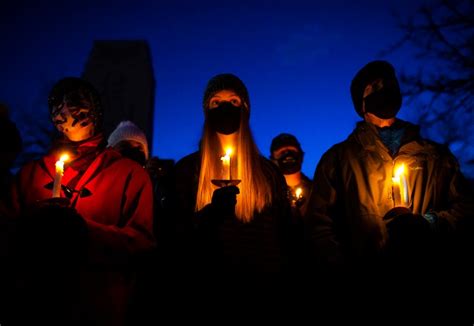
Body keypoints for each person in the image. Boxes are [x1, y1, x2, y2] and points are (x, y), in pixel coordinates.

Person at [305, 60, 473, 275]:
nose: (384, 90)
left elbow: (466, 208)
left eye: (389, 84)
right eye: (374, 87)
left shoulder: (435, 156)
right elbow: (318, 227)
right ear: (362, 105)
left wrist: (428, 224)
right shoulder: (338, 161)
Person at [10, 77, 155, 325]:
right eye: (58, 105)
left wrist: (85, 231)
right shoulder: (30, 175)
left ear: (96, 110)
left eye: (76, 103)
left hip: (100, 310)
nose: (66, 111)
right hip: (35, 307)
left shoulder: (129, 175)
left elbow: (142, 243)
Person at [172, 73, 291, 276]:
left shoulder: (269, 174)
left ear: (245, 109)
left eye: (233, 101)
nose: (225, 107)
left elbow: (285, 237)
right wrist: (208, 217)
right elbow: (174, 239)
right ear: (207, 112)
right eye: (216, 102)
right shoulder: (186, 171)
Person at [270, 133, 312, 218]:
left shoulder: (317, 191)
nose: (288, 155)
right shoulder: (267, 194)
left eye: (292, 151)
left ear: (301, 156)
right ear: (273, 160)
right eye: (282, 153)